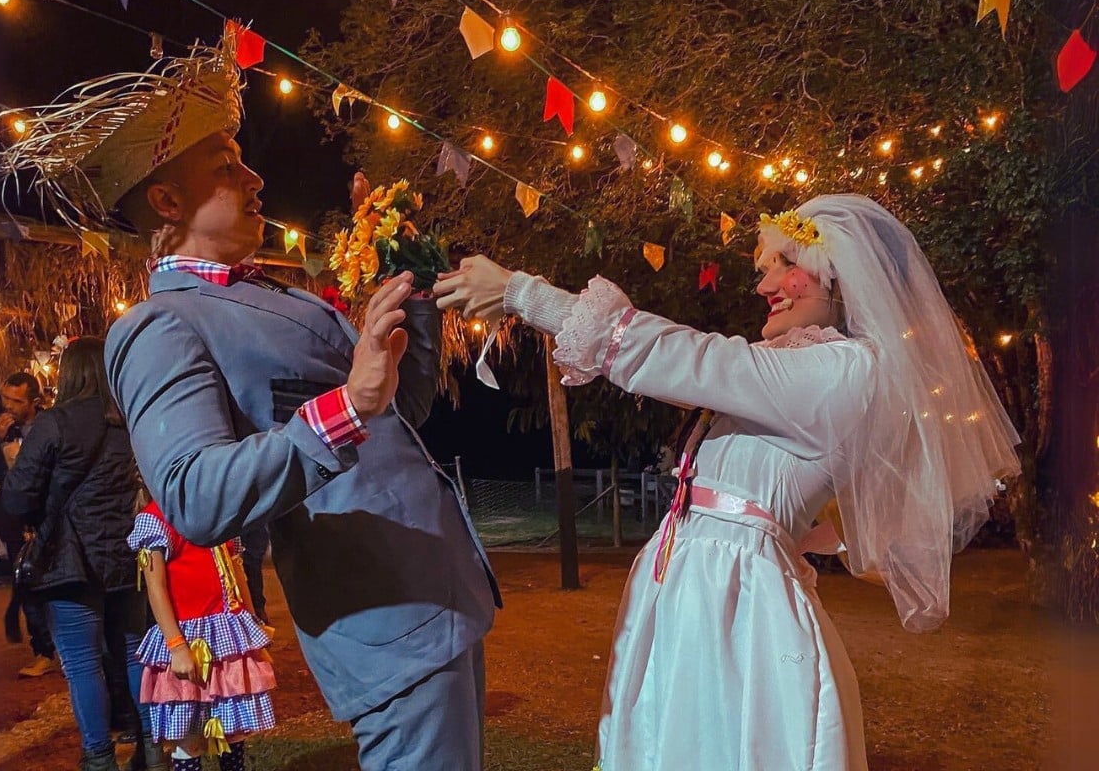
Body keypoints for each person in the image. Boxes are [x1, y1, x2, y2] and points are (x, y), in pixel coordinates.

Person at [0, 41, 499, 771]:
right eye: (226, 166)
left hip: (438, 590)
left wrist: (406, 290)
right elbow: (192, 493)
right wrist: (348, 401)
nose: (255, 177)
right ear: (167, 201)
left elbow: (395, 416)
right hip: (383, 617)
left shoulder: (270, 294)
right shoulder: (159, 325)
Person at [434, 194, 1021, 769]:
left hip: (735, 605)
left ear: (840, 279)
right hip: (700, 588)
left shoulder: (845, 370)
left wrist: (522, 293)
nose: (765, 286)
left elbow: (693, 360)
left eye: (785, 266)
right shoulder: (801, 366)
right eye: (765, 269)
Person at [0, 338, 163, 771]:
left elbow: (15, 496)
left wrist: (30, 518)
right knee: (133, 656)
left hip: (69, 562)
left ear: (69, 373)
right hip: (126, 557)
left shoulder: (55, 424)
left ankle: (98, 758)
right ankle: (152, 753)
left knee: (84, 664)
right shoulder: (127, 422)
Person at [130, 499, 276, 770]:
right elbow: (155, 587)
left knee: (232, 731)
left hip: (227, 637)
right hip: (187, 639)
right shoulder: (157, 518)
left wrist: (252, 620)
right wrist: (176, 646)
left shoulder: (218, 511)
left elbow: (236, 569)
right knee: (188, 734)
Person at [0, 372, 59, 678]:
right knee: (26, 583)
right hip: (17, 520)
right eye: (5, 398)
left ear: (35, 402)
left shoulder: (48, 427)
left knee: (50, 585)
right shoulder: (4, 429)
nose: (8, 406)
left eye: (16, 400)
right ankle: (43, 650)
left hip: (46, 518)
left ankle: (55, 647)